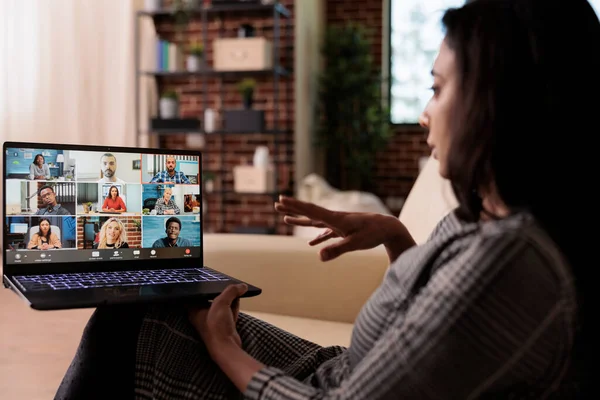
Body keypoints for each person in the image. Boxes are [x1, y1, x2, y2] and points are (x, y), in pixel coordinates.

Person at [55, 0, 590, 398]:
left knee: (124, 331)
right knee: (143, 310)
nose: (426, 113)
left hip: (316, 385)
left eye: (437, 89)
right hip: (333, 365)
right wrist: (396, 235)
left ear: (497, 102)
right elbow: (434, 329)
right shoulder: (492, 217)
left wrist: (226, 350)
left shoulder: (510, 261)